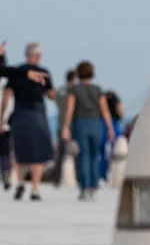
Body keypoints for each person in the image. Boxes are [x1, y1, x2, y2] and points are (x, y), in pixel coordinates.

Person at [1, 43, 55, 201]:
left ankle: (21, 180)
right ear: (38, 57)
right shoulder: (43, 72)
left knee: (18, 148)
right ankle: (35, 188)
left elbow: (7, 96)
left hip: (19, 112)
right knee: (39, 151)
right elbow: (51, 94)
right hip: (37, 112)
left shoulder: (16, 72)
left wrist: (1, 116)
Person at [61, 61, 115, 200]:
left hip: (81, 123)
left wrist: (66, 127)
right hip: (96, 123)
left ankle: (84, 187)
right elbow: (105, 111)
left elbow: (70, 109)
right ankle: (93, 184)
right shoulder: (98, 90)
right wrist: (110, 128)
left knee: (84, 155)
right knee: (94, 155)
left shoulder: (74, 90)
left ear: (78, 74)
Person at [52, 70, 76, 186]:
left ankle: (56, 178)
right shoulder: (74, 91)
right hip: (72, 124)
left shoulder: (60, 90)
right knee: (75, 152)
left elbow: (56, 103)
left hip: (60, 124)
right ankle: (77, 177)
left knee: (60, 153)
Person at [99, 90, 124, 181]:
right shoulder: (115, 98)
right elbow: (121, 111)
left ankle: (101, 175)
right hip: (114, 124)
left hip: (102, 125)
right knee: (116, 151)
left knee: (102, 153)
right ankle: (114, 174)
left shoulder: (101, 98)